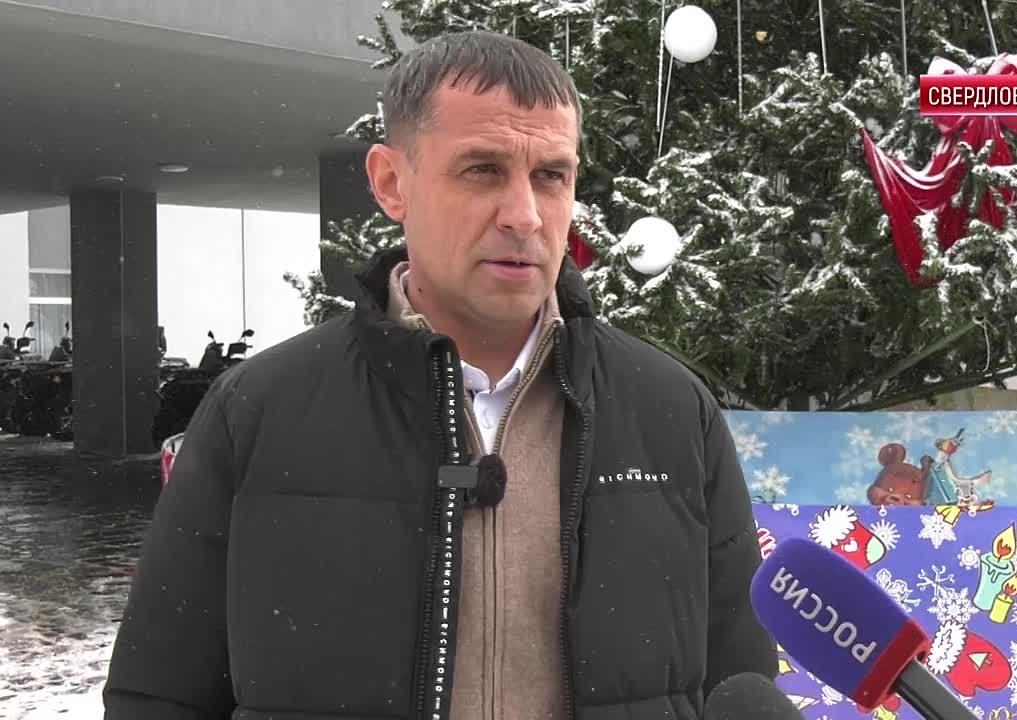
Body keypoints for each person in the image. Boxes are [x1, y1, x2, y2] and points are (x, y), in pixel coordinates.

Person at [103, 30, 775, 720]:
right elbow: (162, 693)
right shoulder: (257, 411)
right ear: (391, 182)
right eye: (482, 169)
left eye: (551, 176)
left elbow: (740, 679)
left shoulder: (672, 412)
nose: (525, 216)